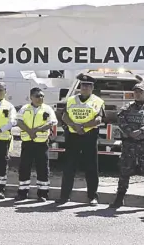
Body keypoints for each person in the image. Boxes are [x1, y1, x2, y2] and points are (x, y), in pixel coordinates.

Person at [110, 79, 144, 211]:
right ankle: (119, 199)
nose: (137, 94)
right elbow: (121, 120)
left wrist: (142, 130)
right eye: (135, 92)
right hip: (129, 144)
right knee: (124, 171)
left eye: (140, 92)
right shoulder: (127, 107)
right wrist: (130, 132)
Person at [57, 73, 105, 205]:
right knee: (69, 167)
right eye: (83, 85)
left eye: (88, 86)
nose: (85, 88)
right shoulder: (71, 100)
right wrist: (74, 126)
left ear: (92, 87)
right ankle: (64, 196)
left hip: (89, 137)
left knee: (91, 168)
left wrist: (83, 126)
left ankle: (92, 196)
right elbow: (65, 116)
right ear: (80, 86)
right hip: (73, 137)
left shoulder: (98, 101)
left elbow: (98, 119)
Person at [15, 87, 58, 202]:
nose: (40, 98)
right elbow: (19, 121)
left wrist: (37, 130)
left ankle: (43, 194)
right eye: (38, 96)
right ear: (31, 97)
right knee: (24, 167)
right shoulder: (25, 108)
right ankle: (22, 193)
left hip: (41, 143)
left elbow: (52, 122)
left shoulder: (47, 109)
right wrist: (30, 131)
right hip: (27, 143)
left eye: (42, 96)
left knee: (43, 168)